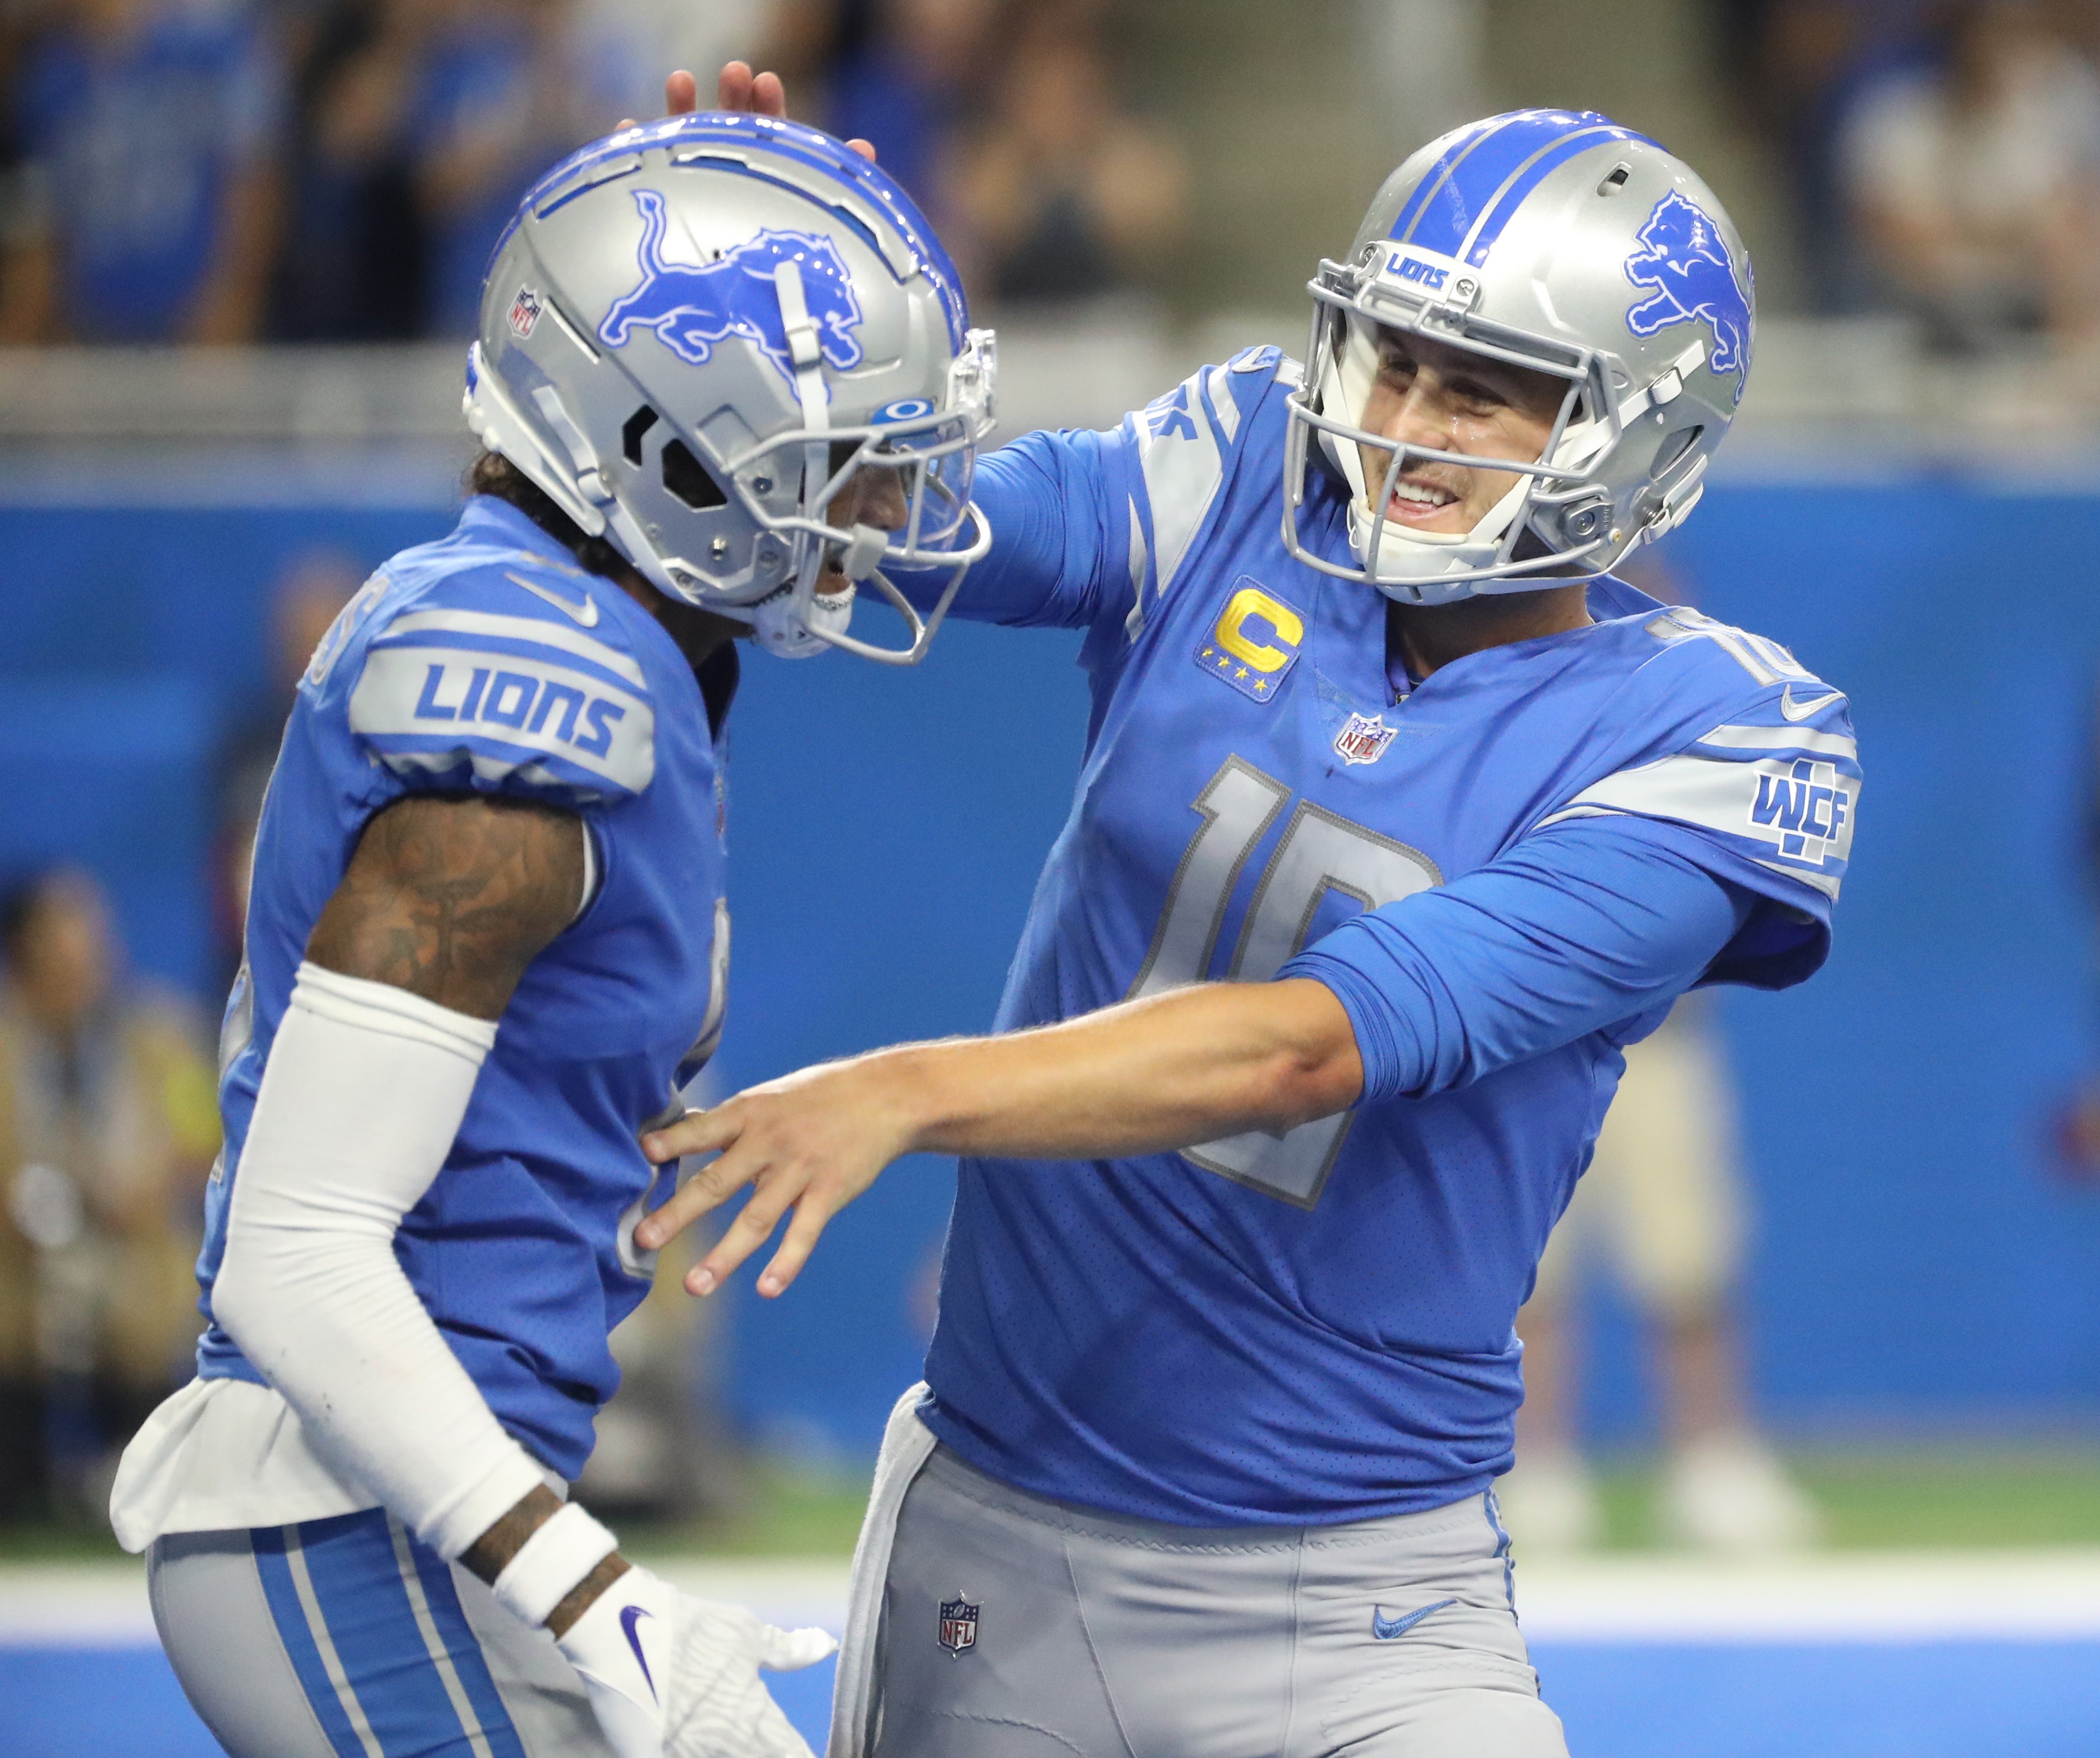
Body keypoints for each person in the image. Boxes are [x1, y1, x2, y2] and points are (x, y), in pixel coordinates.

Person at [637, 97, 1861, 1758]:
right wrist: (757, 299)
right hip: (999, 1536)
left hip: (1368, 1604)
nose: (1411, 421)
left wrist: (904, 1091)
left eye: (1483, 389)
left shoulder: (1718, 739)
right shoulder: (1241, 469)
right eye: (1397, 360)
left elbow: (1314, 1043)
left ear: (1633, 435)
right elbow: (901, 527)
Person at [109, 73, 995, 1758]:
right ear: (666, 450)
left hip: (413, 1518)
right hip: (350, 1530)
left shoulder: (594, 634)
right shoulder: (529, 689)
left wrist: (762, 221)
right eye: (838, 456)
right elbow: (298, 1259)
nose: (875, 506)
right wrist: (601, 1595)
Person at [1500, 994, 1822, 1553]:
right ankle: (1534, 1471)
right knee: (1533, 1276)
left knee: (1688, 1267)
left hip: (1656, 1035)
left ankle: (1713, 1466)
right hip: (1531, 1045)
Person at [0, 867, 217, 1523]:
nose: (85, 947)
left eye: (91, 928)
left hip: (132, 1275)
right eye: (63, 931)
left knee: (147, 1320)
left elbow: (207, 1136)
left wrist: (144, 1185)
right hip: (23, 1279)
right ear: (25, 949)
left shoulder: (159, 1035)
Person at [0, 0, 284, 343]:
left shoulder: (209, 48)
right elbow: (44, 224)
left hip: (192, 316)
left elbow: (254, 182)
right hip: (89, 323)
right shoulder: (50, 77)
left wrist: (232, 301)